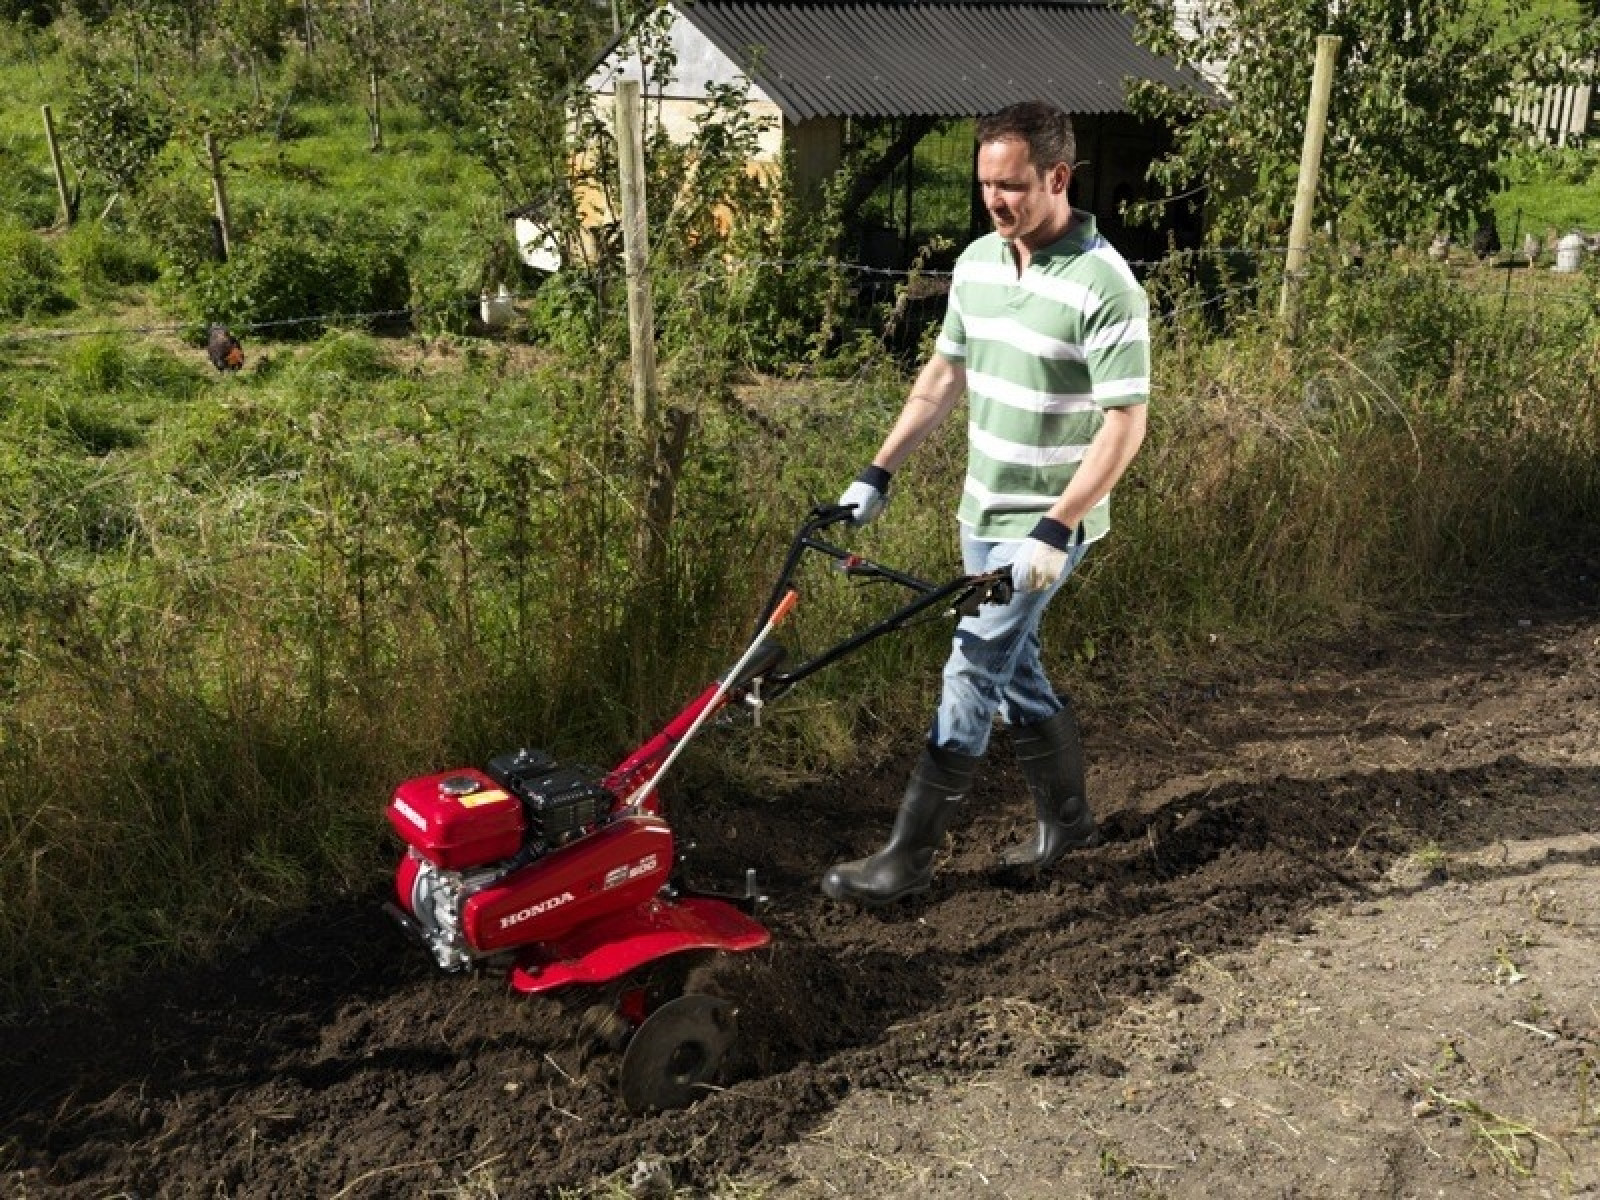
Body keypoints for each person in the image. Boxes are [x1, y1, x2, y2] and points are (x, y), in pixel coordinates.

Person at [821, 100, 1150, 908]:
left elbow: (1125, 425)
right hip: (982, 511)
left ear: (1057, 177)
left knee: (971, 664)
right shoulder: (975, 263)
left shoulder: (1105, 283)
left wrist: (1057, 525)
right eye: (985, 186)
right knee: (1013, 672)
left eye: (1011, 186)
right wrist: (877, 470)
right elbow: (942, 378)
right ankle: (1068, 822)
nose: (995, 202)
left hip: (1045, 526)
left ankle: (907, 856)